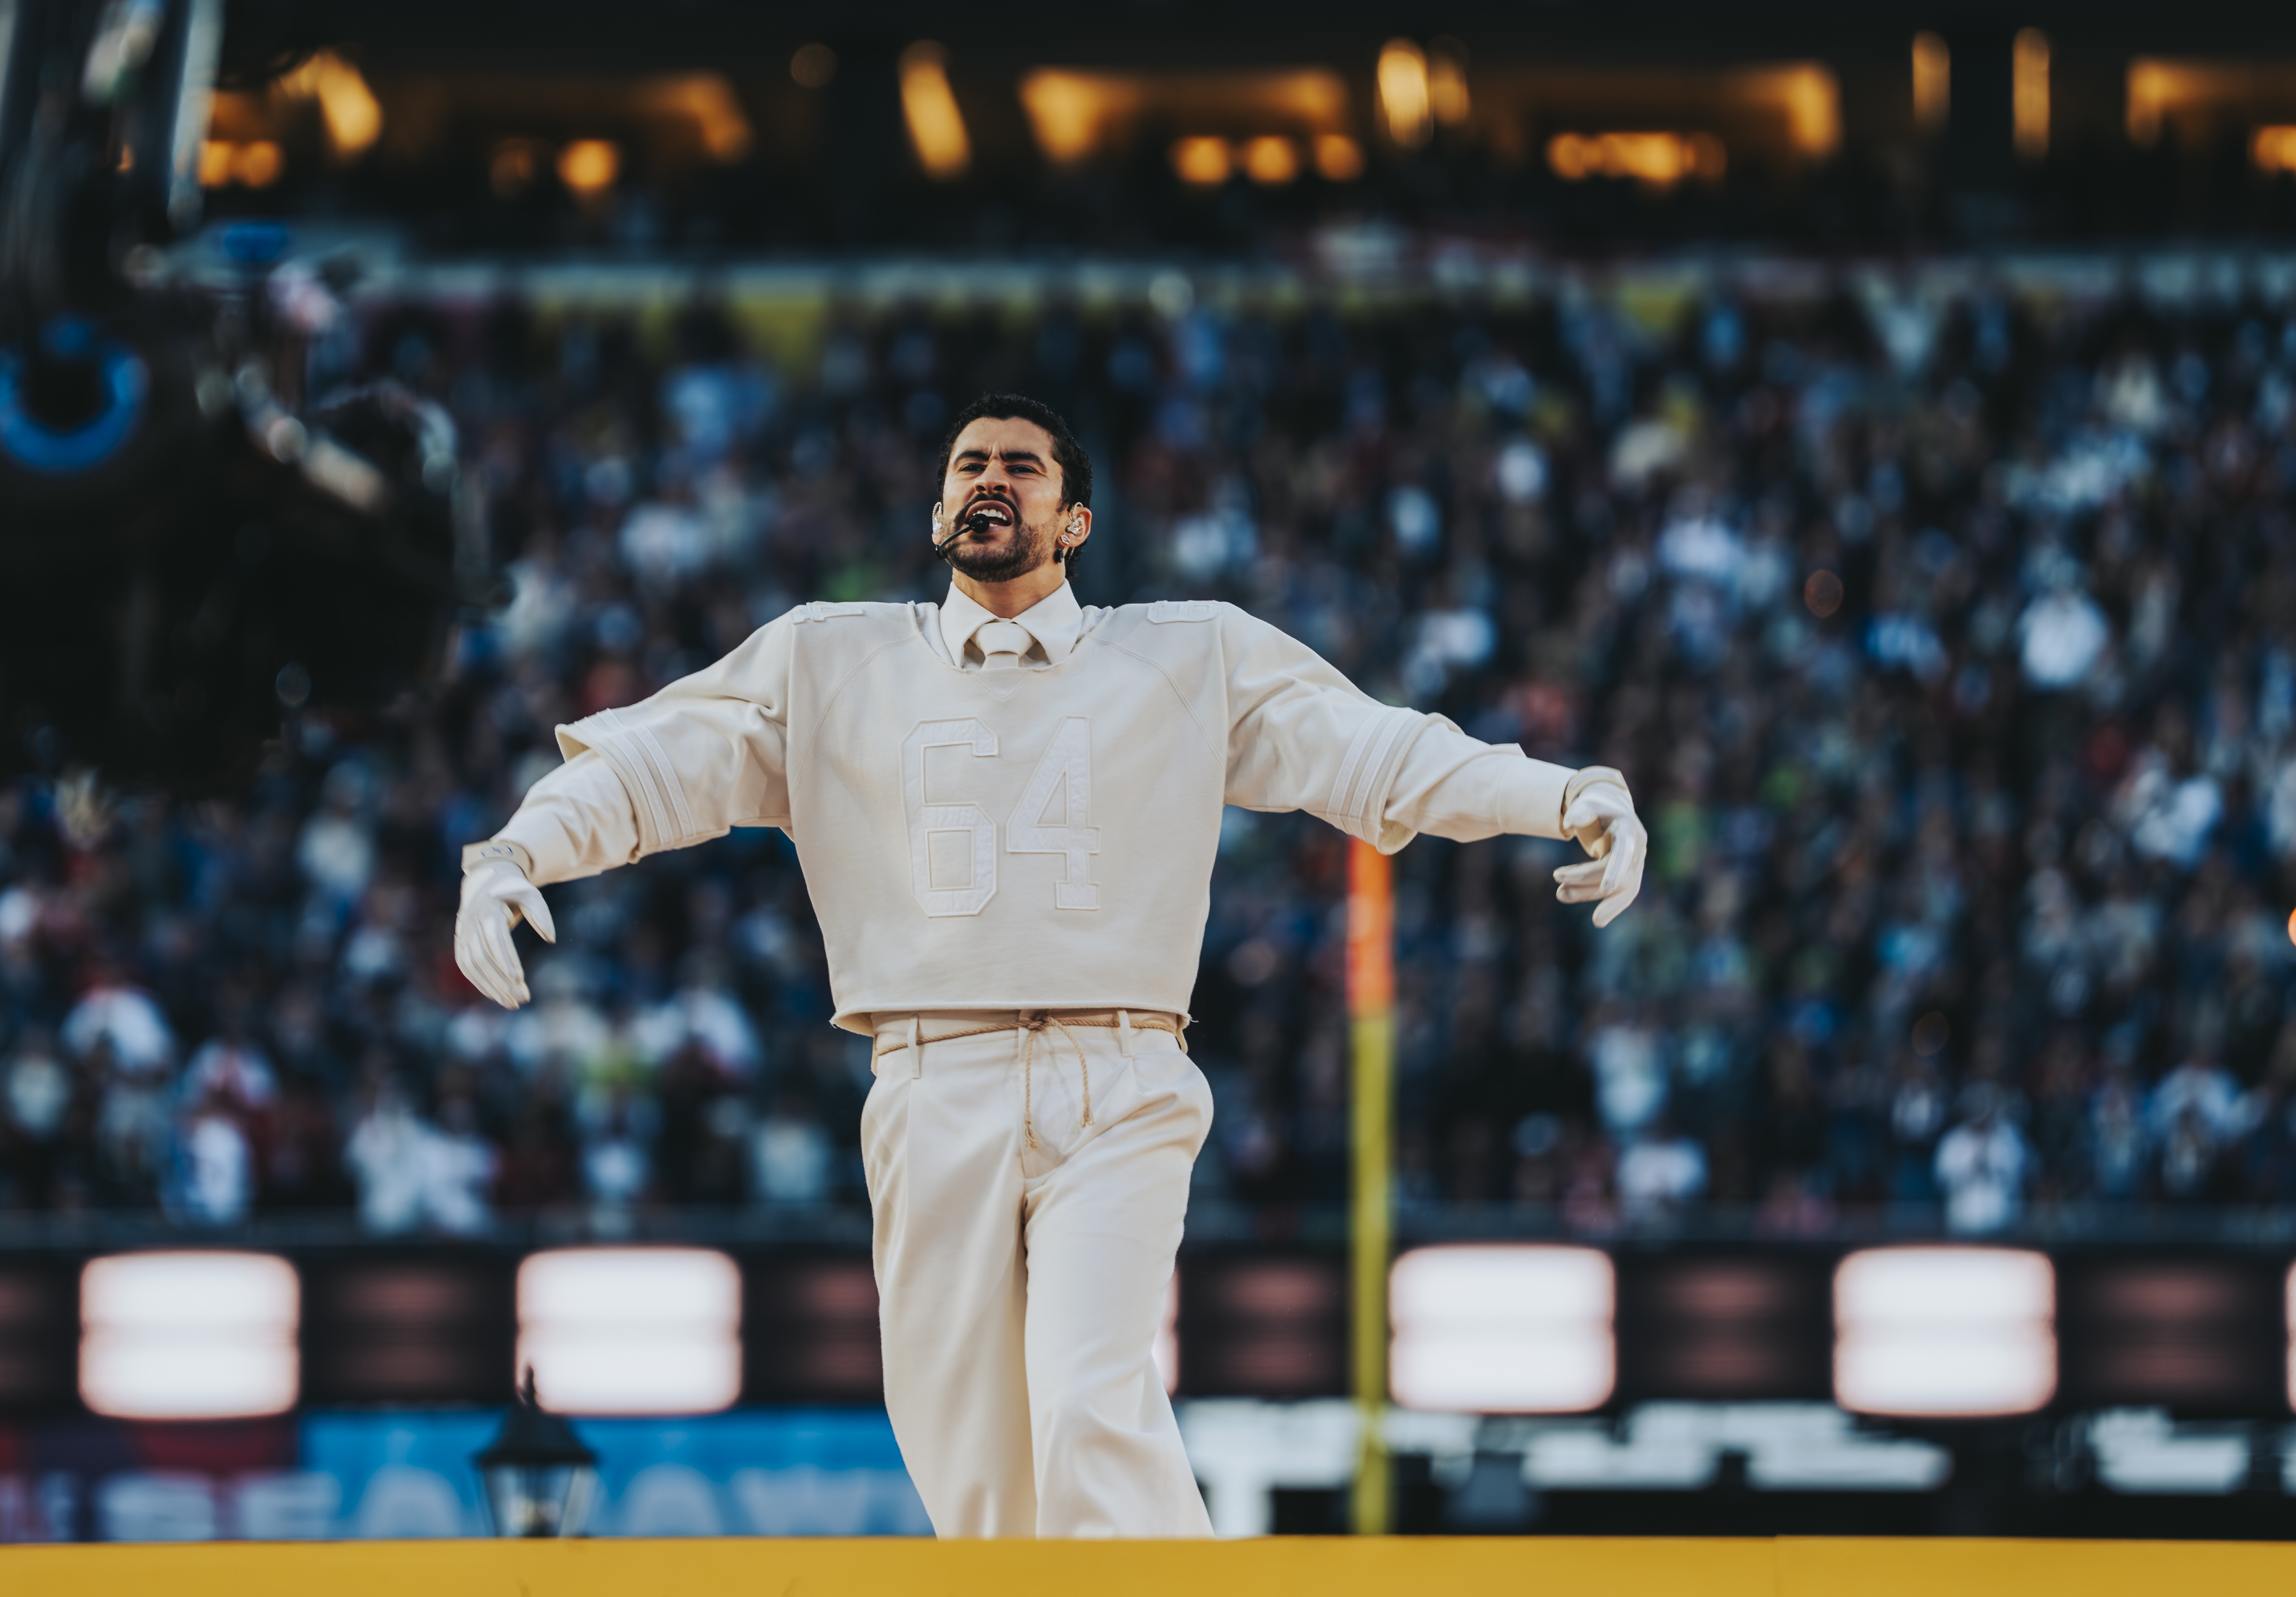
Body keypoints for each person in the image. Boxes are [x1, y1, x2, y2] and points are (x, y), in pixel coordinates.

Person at [454, 394, 1649, 1538]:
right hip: (927, 1082)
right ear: (937, 513)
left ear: (1075, 522)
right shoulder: (827, 660)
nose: (988, 480)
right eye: (969, 465)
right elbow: (654, 766)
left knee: (1089, 1405)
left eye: (1021, 466)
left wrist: (1559, 793)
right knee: (969, 1472)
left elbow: (1378, 754)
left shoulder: (1191, 655)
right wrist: (522, 847)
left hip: (1118, 1074)